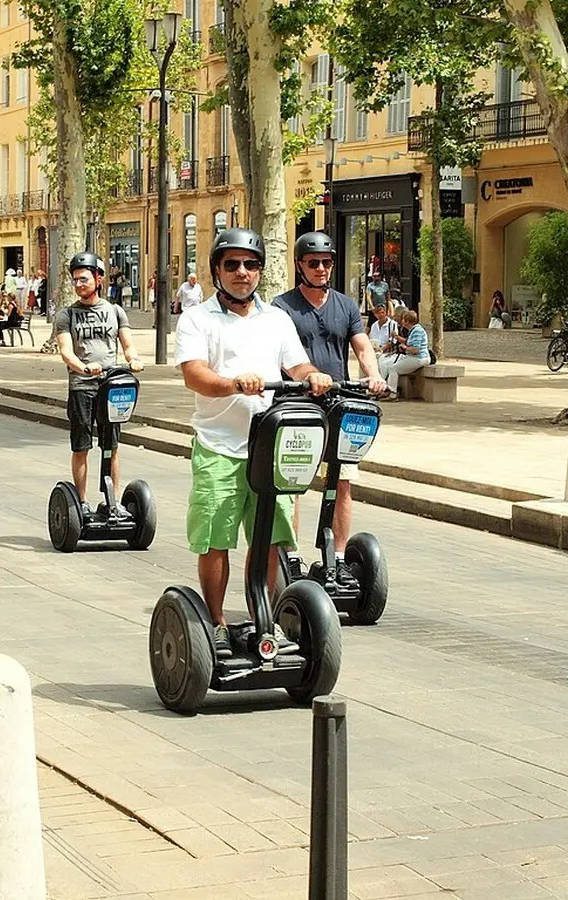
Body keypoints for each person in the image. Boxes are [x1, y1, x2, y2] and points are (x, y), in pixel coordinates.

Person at [175, 228, 333, 659]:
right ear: (216, 270)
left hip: (269, 446)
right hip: (218, 445)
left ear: (260, 270)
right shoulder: (197, 319)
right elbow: (194, 374)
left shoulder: (276, 318)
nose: (242, 272)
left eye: (250, 264)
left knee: (271, 541)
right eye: (232, 264)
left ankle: (261, 619)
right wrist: (231, 384)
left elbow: (296, 363)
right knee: (215, 539)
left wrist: (311, 375)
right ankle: (216, 622)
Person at [273, 231, 386, 564]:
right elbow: (279, 354)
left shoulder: (346, 305)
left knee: (343, 482)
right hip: (297, 404)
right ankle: (289, 556)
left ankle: (337, 556)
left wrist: (375, 375)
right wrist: (306, 378)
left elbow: (362, 346)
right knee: (293, 483)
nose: (321, 268)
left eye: (326, 262)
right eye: (313, 263)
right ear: (299, 266)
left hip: (338, 404)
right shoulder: (283, 307)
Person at [54, 252, 144, 515]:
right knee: (82, 446)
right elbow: (66, 351)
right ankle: (81, 501)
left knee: (111, 446)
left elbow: (127, 344)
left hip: (111, 386)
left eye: (83, 279)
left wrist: (134, 359)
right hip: (82, 387)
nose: (79, 284)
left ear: (99, 279)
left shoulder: (115, 311)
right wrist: (83, 367)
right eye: (75, 280)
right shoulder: (67, 315)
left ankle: (112, 501)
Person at [379, 308, 431, 398]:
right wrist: (396, 337)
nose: (401, 321)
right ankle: (384, 388)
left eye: (403, 319)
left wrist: (405, 348)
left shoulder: (417, 331)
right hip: (413, 356)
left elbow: (416, 350)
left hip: (419, 358)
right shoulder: (413, 330)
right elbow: (407, 342)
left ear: (407, 321)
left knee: (393, 368)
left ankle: (392, 393)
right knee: (387, 363)